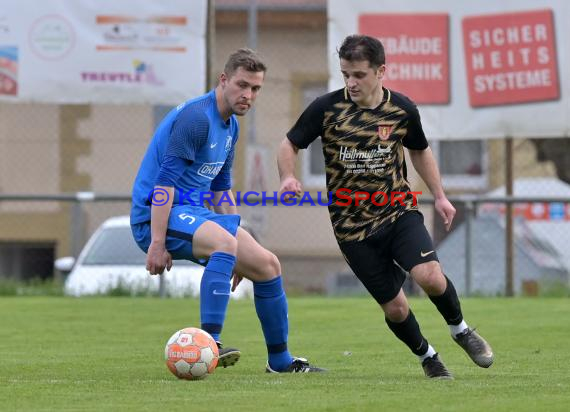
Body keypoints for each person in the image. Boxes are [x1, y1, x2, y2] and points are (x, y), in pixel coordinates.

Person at [277, 35, 493, 379]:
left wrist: (440, 195)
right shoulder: (326, 109)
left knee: (431, 277)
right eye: (346, 74)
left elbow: (419, 150)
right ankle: (428, 357)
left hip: (397, 212)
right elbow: (289, 144)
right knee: (395, 307)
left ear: (381, 72)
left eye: (359, 74)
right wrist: (288, 176)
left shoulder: (401, 109)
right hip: (351, 229)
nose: (351, 82)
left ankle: (461, 330)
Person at [130, 48, 324, 373]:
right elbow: (163, 186)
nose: (248, 95)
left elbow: (221, 190)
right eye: (242, 85)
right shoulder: (196, 119)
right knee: (225, 244)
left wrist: (232, 236)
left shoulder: (230, 126)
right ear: (224, 80)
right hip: (155, 216)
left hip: (193, 213)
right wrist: (157, 242)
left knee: (267, 265)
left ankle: (280, 361)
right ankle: (210, 344)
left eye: (256, 88)